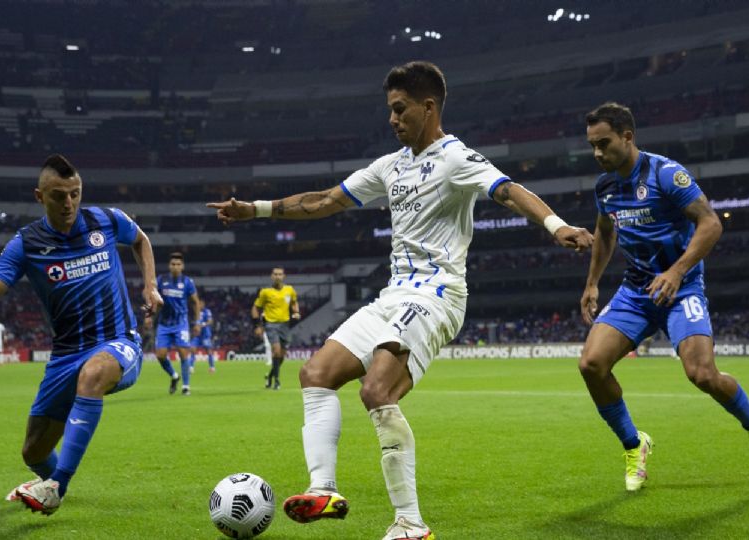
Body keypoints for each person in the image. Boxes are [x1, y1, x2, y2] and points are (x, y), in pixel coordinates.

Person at [209, 61, 593, 540]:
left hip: (437, 295)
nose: (392, 119)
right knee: (315, 375)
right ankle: (324, 489)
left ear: (428, 107)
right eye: (389, 110)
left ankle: (411, 523)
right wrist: (256, 210)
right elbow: (326, 200)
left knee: (376, 391)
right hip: (393, 295)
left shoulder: (456, 158)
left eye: (399, 109)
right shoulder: (390, 166)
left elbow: (509, 192)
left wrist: (558, 226)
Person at [578, 102, 749, 492]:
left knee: (701, 374)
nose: (598, 153)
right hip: (636, 290)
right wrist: (592, 282)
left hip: (681, 285)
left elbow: (710, 224)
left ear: (627, 137)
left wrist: (677, 270)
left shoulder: (666, 174)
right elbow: (604, 233)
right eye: (592, 146)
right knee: (591, 365)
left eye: (604, 144)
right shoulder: (605, 187)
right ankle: (635, 445)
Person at [0, 154, 163, 514]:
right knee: (33, 451)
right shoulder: (26, 243)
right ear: (39, 196)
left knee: (94, 373)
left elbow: (141, 240)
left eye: (75, 193)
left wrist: (150, 286)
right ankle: (49, 480)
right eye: (59, 195)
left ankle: (56, 487)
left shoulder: (106, 219)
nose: (69, 202)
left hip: (117, 341)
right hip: (66, 354)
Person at [147, 252, 200, 395]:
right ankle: (174, 376)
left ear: (182, 266)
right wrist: (149, 316)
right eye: (173, 264)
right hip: (164, 324)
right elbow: (152, 299)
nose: (175, 267)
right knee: (160, 355)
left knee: (183, 354)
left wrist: (197, 322)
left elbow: (195, 302)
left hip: (180, 323)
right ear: (169, 266)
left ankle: (186, 386)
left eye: (178, 264)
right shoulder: (161, 280)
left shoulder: (188, 282)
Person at [252, 267, 299, 390]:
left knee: (282, 356)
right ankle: (277, 382)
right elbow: (256, 308)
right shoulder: (265, 292)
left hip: (285, 325)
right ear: (271, 276)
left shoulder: (290, 290)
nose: (278, 276)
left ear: (284, 276)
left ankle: (270, 376)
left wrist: (296, 311)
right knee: (276, 351)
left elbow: (294, 302)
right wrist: (257, 325)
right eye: (275, 274)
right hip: (271, 324)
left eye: (280, 274)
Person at [190, 298, 216, 373]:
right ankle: (191, 367)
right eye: (198, 304)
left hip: (205, 335)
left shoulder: (207, 311)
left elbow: (210, 321)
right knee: (193, 349)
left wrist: (203, 324)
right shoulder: (196, 312)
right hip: (197, 335)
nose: (199, 305)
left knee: (208, 351)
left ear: (203, 304)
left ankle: (212, 367)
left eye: (200, 304)